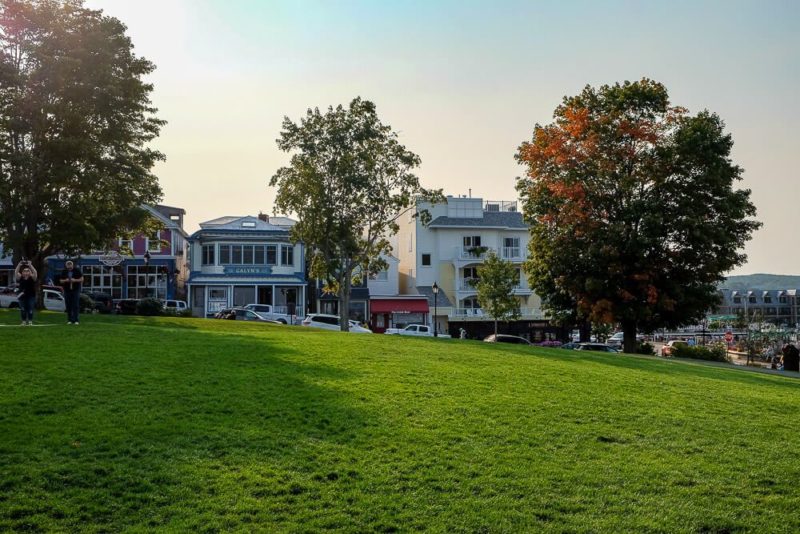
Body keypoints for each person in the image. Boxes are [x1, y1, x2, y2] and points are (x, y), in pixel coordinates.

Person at [59, 260, 84, 325]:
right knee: (68, 305)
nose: (69, 266)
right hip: (67, 290)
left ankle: (76, 320)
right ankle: (70, 320)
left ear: (72, 265)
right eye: (68, 265)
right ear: (66, 265)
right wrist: (65, 280)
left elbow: (82, 279)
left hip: (75, 290)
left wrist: (75, 280)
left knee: (75, 305)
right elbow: (61, 281)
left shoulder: (77, 270)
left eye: (70, 265)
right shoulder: (64, 271)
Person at [14, 260, 37, 326]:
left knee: (30, 309)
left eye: (27, 271)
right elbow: (16, 272)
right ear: (22, 272)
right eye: (24, 271)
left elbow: (35, 272)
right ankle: (23, 321)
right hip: (22, 296)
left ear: (30, 272)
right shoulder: (20, 277)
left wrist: (30, 265)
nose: (26, 272)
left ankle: (30, 321)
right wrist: (19, 264)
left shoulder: (32, 278)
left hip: (31, 296)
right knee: (23, 309)